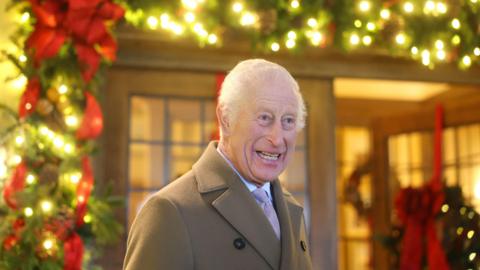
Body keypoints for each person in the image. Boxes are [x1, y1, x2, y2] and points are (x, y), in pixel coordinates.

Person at [123, 59, 313, 270]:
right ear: (226, 119)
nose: (277, 139)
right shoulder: (169, 211)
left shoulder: (290, 207)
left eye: (288, 120)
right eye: (264, 118)